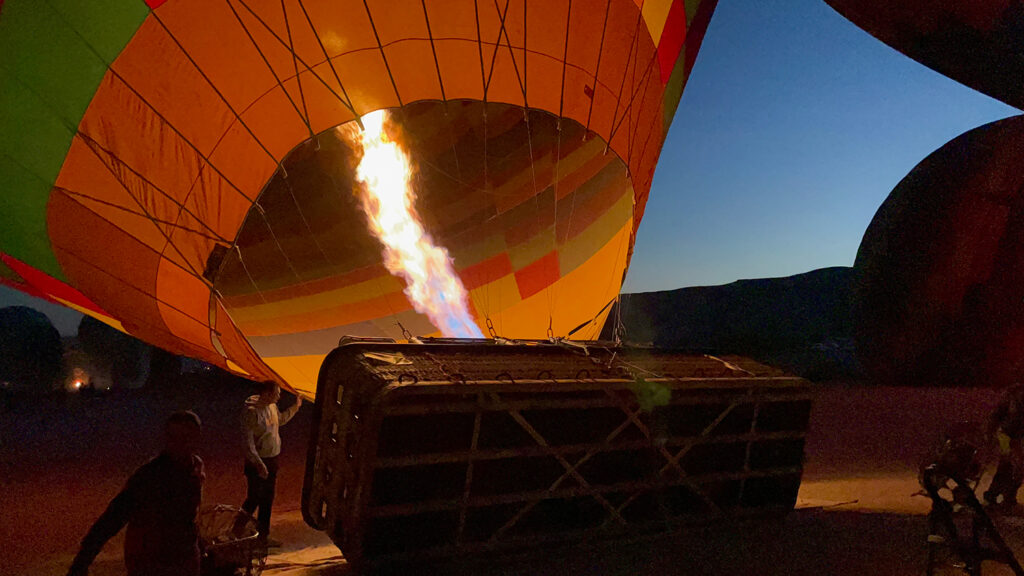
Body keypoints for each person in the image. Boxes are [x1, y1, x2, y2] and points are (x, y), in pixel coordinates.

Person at [67, 411, 205, 576]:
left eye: (185, 437)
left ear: (196, 438)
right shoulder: (149, 476)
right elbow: (114, 516)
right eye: (172, 436)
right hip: (151, 562)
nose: (177, 443)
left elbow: (187, 515)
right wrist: (82, 560)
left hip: (184, 559)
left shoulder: (196, 467)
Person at [240, 380, 302, 545]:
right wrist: (259, 463)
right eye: (277, 393)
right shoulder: (252, 412)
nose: (280, 396)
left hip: (273, 458)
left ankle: (263, 536)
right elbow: (248, 442)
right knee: (254, 498)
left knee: (267, 499)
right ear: (267, 393)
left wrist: (296, 407)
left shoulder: (272, 406)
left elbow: (279, 420)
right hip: (258, 461)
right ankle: (235, 531)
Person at [985, 383, 1024, 509]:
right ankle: (1001, 495)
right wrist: (990, 430)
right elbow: (998, 413)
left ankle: (1000, 494)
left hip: (1017, 435)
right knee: (1011, 463)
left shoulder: (1014, 393)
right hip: (1007, 434)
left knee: (1015, 466)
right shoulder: (1013, 393)